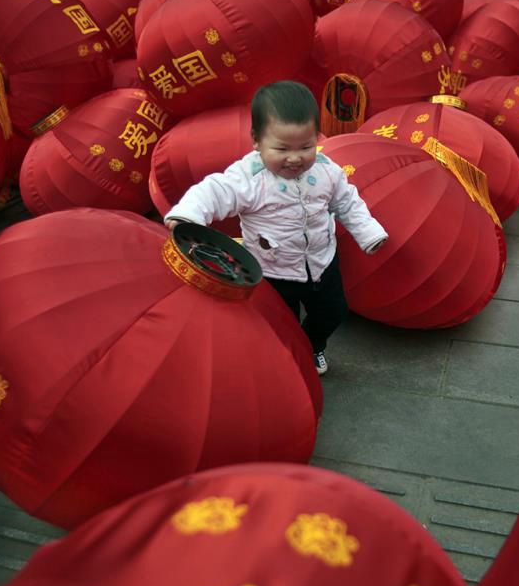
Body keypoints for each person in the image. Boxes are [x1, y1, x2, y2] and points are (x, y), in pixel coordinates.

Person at [164, 81, 388, 375]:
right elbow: (214, 191)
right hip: (273, 269)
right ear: (257, 140)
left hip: (322, 262)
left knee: (334, 311)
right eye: (282, 148)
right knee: (281, 321)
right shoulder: (249, 177)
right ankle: (287, 355)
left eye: (306, 146)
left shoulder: (325, 170)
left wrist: (368, 232)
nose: (295, 158)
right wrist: (187, 216)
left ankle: (313, 343)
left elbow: (346, 201)